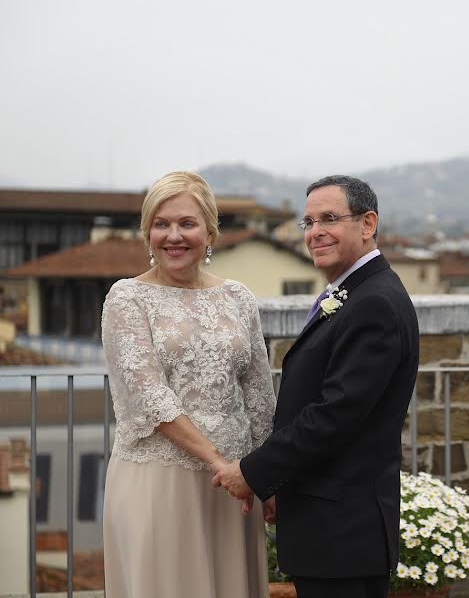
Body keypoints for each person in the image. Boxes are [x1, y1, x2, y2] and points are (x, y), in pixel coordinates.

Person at [212, 175, 420, 598]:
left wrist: (254, 473)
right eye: (307, 222)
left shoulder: (374, 303)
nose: (315, 232)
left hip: (342, 528)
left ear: (368, 223)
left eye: (329, 218)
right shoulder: (355, 292)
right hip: (332, 525)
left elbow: (334, 414)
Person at [101, 171, 276, 598]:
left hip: (236, 488)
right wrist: (219, 463)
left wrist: (270, 476)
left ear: (210, 233)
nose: (173, 236)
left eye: (186, 224)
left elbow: (259, 392)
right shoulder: (127, 299)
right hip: (162, 482)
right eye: (161, 224)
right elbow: (148, 397)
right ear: (147, 233)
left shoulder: (238, 297)